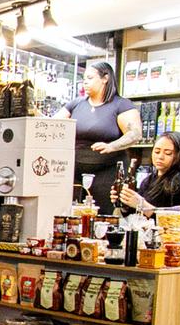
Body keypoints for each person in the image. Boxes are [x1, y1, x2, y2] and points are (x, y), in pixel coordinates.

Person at [55, 61, 142, 215]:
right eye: (83, 79)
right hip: (74, 171)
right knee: (71, 214)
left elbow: (135, 133)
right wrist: (32, 111)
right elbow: (51, 125)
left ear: (105, 78)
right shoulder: (76, 104)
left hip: (107, 172)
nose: (85, 82)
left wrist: (112, 146)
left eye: (89, 77)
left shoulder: (121, 104)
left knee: (102, 216)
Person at [111, 130, 180, 216]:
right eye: (157, 151)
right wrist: (124, 203)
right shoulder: (148, 180)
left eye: (168, 153)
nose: (160, 157)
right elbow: (135, 216)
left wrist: (142, 205)